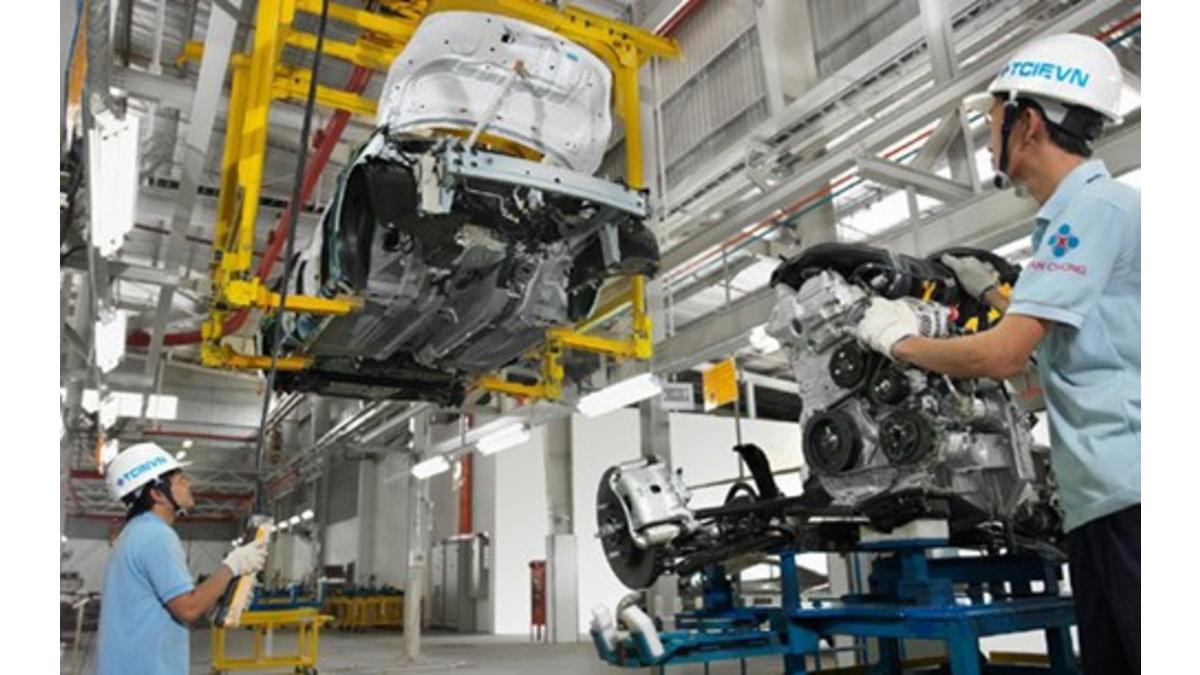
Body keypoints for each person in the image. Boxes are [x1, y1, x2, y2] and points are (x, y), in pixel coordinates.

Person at [855, 33, 1139, 674]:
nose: (988, 141)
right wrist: (989, 294)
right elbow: (1063, 339)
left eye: (991, 122)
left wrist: (898, 341)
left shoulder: (1089, 212)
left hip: (1132, 494)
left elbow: (1004, 356)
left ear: (1028, 123)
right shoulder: (1087, 215)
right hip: (1105, 497)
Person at [95, 443, 269, 675]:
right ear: (157, 494)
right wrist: (232, 567)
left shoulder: (135, 533)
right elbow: (188, 608)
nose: (189, 485)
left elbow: (173, 601)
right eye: (180, 480)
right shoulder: (156, 536)